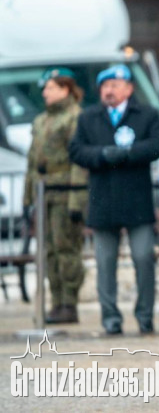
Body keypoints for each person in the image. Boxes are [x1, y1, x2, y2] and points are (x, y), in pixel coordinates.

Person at [70, 64, 159, 335]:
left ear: (129, 88)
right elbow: (77, 150)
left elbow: (158, 145)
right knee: (105, 263)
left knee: (143, 257)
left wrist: (127, 153)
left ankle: (145, 316)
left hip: (137, 201)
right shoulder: (89, 117)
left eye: (115, 85)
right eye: (105, 86)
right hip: (103, 201)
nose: (109, 91)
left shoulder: (146, 115)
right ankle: (110, 319)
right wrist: (102, 155)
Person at [25, 68, 88, 325]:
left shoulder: (75, 118)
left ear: (65, 89)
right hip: (44, 191)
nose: (45, 92)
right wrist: (27, 199)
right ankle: (55, 302)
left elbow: (78, 161)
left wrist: (76, 200)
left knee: (66, 248)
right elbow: (32, 162)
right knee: (48, 250)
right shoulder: (41, 120)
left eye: (50, 87)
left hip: (65, 190)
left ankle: (68, 302)